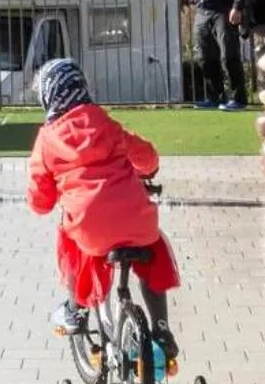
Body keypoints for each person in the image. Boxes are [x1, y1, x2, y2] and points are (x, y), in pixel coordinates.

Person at [26, 59, 182, 359]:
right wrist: (148, 170)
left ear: (47, 96)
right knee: (153, 248)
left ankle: (77, 308)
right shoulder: (104, 122)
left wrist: (47, 198)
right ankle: (161, 329)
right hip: (136, 220)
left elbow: (40, 198)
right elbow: (146, 157)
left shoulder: (47, 139)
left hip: (91, 228)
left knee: (73, 243)